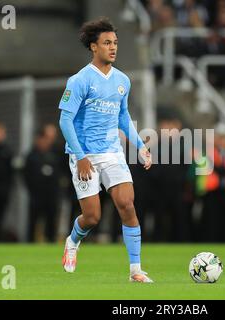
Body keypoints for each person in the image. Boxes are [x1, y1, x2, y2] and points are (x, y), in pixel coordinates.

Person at [58, 18, 153, 283]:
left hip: (112, 153)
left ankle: (135, 270)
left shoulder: (122, 80)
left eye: (115, 43)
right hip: (84, 154)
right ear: (93, 47)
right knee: (92, 216)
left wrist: (140, 146)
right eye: (107, 43)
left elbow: (123, 116)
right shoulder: (79, 80)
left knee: (127, 204)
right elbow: (65, 121)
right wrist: (81, 157)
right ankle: (73, 241)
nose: (113, 48)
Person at [24, 126, 61, 243]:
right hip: (36, 195)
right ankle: (29, 243)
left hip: (52, 195)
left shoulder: (56, 154)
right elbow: (26, 175)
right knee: (33, 221)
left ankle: (51, 242)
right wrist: (31, 190)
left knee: (51, 221)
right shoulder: (31, 155)